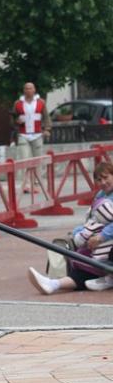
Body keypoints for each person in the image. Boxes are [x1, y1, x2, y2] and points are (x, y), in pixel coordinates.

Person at [28, 162, 113, 294]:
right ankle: (53, 284)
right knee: (85, 264)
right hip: (100, 243)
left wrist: (102, 236)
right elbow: (92, 220)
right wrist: (80, 233)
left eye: (106, 177)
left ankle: (109, 277)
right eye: (99, 179)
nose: (103, 182)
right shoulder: (100, 195)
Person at [12, 82, 51, 193]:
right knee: (24, 159)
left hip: (37, 134)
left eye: (30, 88)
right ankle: (26, 185)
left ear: (34, 90)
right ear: (24, 90)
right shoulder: (18, 103)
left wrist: (47, 129)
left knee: (38, 160)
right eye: (26, 88)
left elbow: (46, 116)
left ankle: (37, 183)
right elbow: (12, 118)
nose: (28, 90)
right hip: (23, 134)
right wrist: (16, 121)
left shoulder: (41, 102)